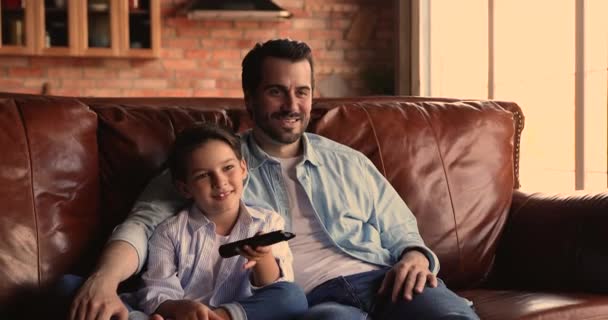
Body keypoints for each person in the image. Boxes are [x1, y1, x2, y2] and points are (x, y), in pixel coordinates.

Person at [70, 39, 479, 320]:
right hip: (310, 296)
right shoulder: (222, 164)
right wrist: (104, 280)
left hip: (383, 278)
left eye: (302, 91)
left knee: (453, 315)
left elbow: (403, 230)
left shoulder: (348, 161)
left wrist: (414, 257)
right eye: (276, 92)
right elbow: (142, 226)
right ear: (249, 98)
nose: (292, 105)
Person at [121, 123, 307, 320]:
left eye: (228, 168)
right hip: (185, 316)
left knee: (293, 297)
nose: (220, 182)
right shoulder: (169, 231)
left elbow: (275, 290)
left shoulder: (267, 222)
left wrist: (262, 259)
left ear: (243, 168)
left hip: (239, 315)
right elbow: (157, 290)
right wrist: (177, 308)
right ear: (184, 188)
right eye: (203, 175)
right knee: (130, 311)